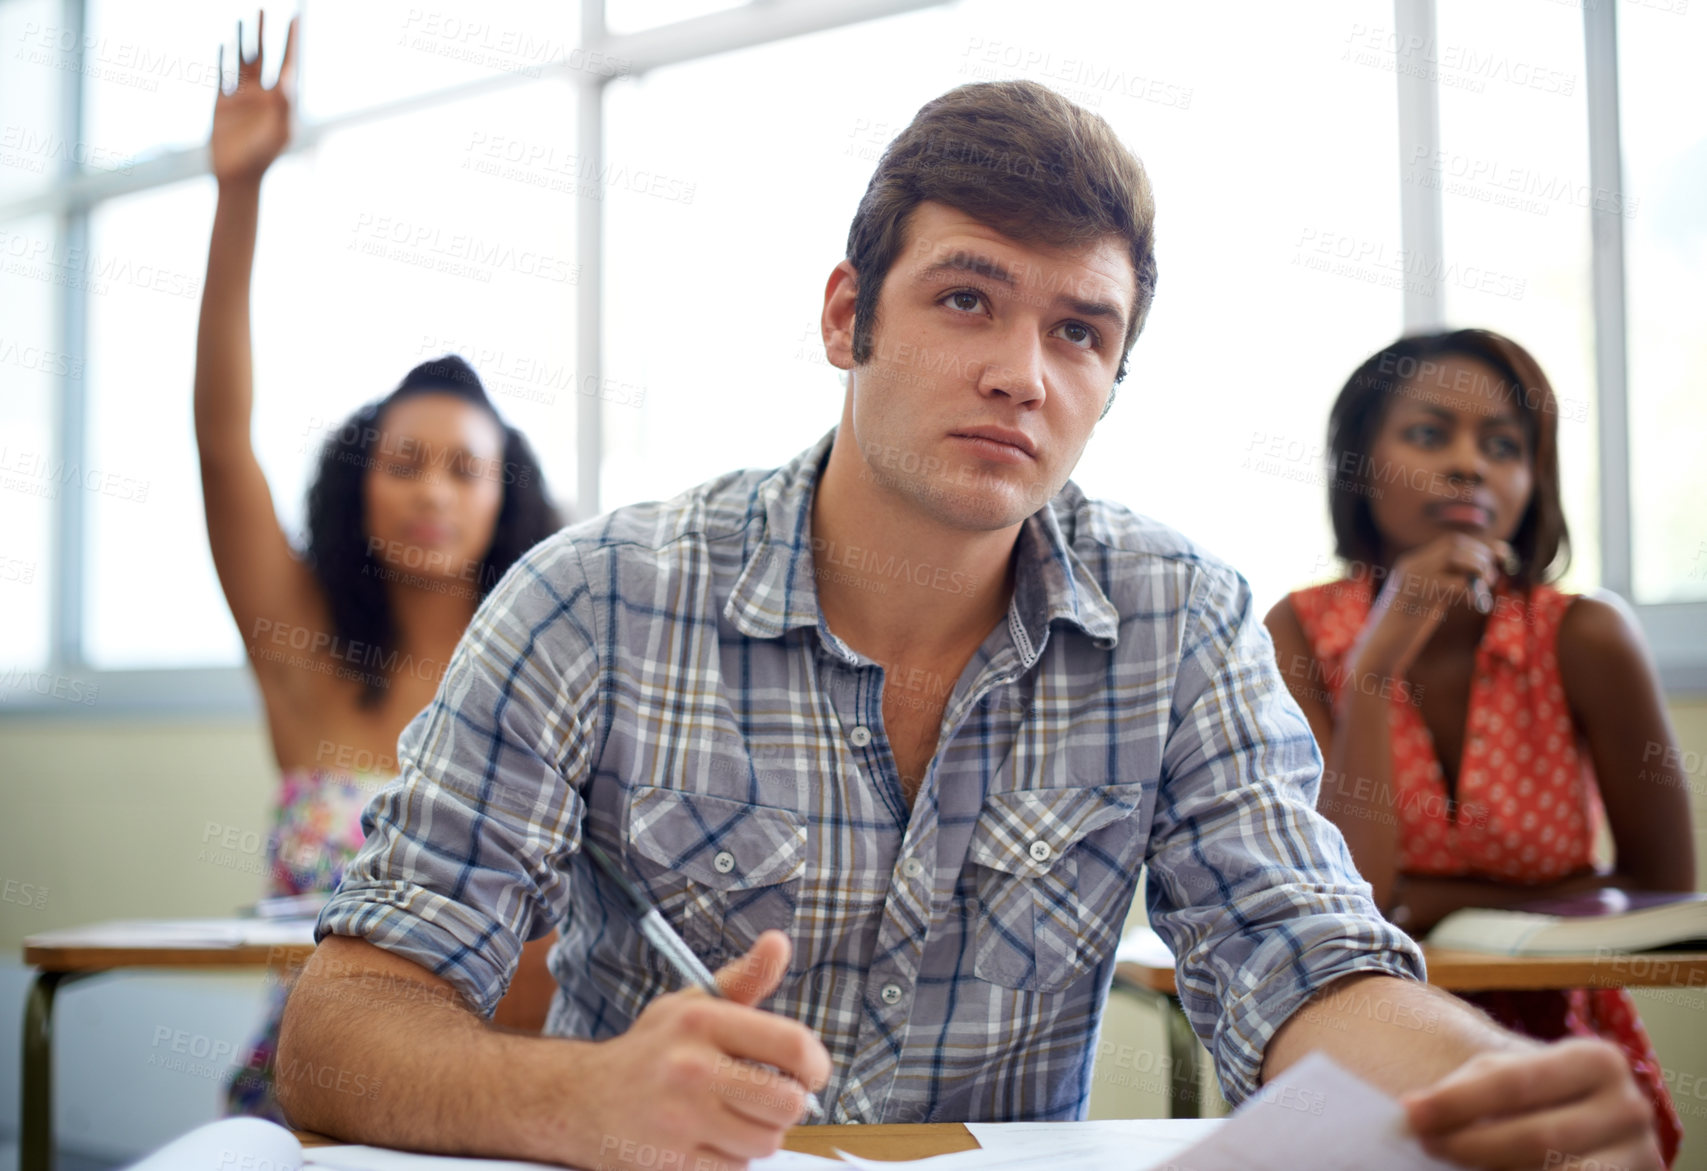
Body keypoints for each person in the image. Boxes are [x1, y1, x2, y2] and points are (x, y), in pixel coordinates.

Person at [278, 81, 1666, 1170]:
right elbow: (341, 1027)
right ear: (846, 315)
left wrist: (1475, 1079)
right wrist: (574, 1093)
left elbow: (1297, 953)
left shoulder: (1176, 617)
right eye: (964, 297)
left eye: (1077, 331)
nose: (1018, 372)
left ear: (1112, 375)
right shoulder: (590, 598)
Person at [194, 14, 564, 1120]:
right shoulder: (302, 653)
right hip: (298, 1102)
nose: (435, 489)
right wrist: (240, 194)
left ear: (506, 500)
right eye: (405, 462)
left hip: (496, 1101)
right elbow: (220, 444)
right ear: (359, 485)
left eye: (465, 467)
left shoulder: (550, 672)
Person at [1264, 328, 1695, 1164]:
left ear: (1533, 480)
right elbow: (1353, 901)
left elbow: (1663, 891)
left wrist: (1433, 903)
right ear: (1359, 463)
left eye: (1503, 445)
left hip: (1556, 1045)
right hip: (1366, 1040)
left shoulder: (1587, 635)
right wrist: (1373, 672)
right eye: (1428, 434)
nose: (1469, 465)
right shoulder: (1295, 632)